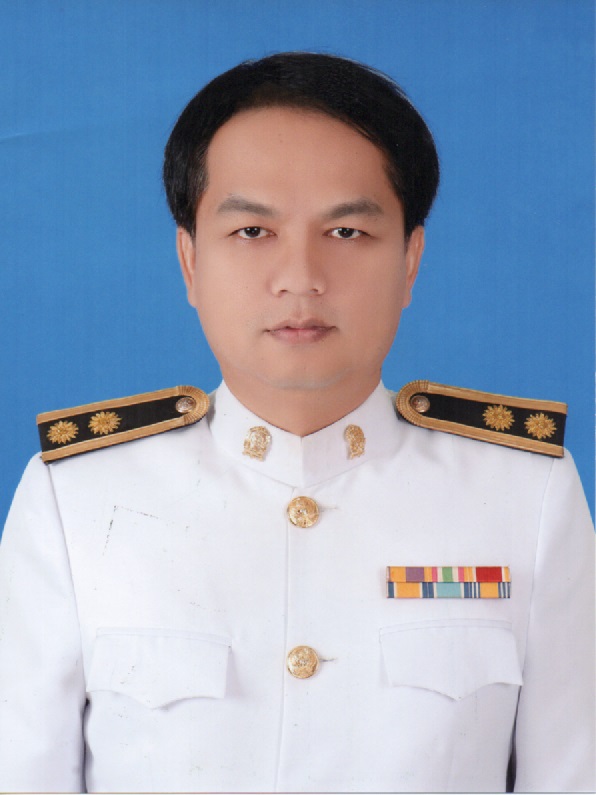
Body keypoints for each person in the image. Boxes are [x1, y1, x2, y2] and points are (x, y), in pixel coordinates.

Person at [0, 52, 593, 793]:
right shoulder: (76, 499)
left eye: (346, 233)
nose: (301, 278)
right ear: (189, 261)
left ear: (411, 260)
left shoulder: (525, 495)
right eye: (253, 231)